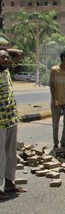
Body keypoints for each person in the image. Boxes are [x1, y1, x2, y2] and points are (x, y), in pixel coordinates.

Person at [0, 47, 27, 199]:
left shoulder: (6, 71)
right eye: (2, 58)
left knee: (10, 153)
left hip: (10, 119)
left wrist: (4, 49)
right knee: (0, 155)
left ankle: (10, 183)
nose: (5, 59)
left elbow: (19, 53)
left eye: (6, 57)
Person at [49, 50, 65, 149]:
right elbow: (51, 85)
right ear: (63, 58)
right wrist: (54, 99)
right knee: (55, 124)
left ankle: (63, 141)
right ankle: (55, 143)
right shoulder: (54, 70)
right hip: (56, 101)